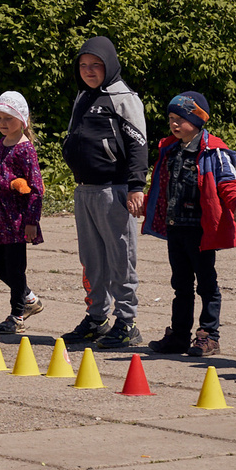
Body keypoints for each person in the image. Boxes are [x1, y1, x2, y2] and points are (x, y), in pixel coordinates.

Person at [134, 90, 236, 359]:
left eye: (181, 118)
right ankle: (180, 335)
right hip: (175, 226)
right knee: (180, 284)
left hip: (201, 230)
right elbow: (162, 187)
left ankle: (208, 335)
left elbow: (228, 181)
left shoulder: (214, 150)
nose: (175, 124)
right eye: (171, 118)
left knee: (206, 284)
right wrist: (146, 204)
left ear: (198, 119)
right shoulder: (170, 150)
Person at [60, 36, 148, 350]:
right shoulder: (83, 96)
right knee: (91, 260)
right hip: (85, 191)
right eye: (83, 66)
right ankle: (96, 318)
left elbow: (138, 144)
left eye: (95, 65)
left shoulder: (124, 98)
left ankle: (127, 321)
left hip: (115, 190)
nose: (89, 71)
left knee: (120, 257)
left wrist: (136, 187)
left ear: (108, 64)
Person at [0, 90, 47, 335]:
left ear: (22, 120)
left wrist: (31, 221)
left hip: (17, 221)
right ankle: (28, 297)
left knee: (16, 268)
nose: (3, 123)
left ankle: (17, 314)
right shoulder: (2, 144)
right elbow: (0, 179)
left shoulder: (25, 149)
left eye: (9, 118)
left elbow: (37, 188)